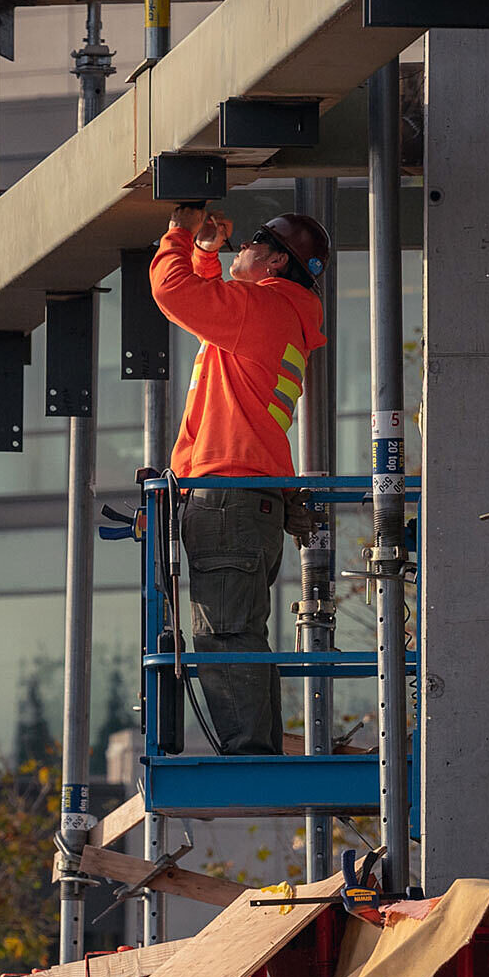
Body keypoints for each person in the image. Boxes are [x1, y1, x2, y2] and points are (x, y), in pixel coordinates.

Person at [149, 206, 331, 755]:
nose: (240, 251)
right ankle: (257, 745)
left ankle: (249, 751)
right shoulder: (277, 313)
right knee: (240, 629)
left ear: (277, 261)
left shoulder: (262, 308)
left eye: (254, 241)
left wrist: (179, 232)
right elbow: (206, 296)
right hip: (246, 499)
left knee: (226, 631)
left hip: (227, 496)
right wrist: (205, 251)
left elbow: (174, 293)